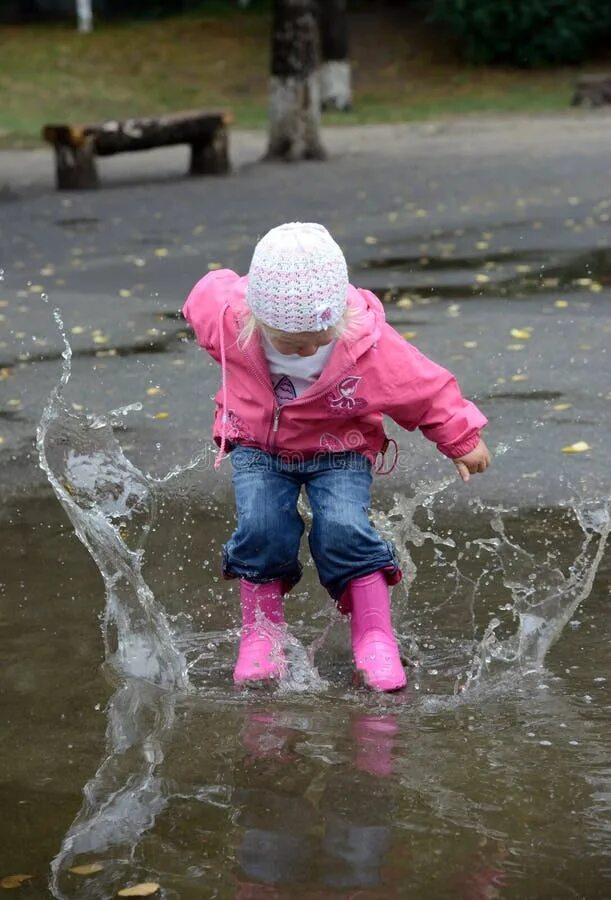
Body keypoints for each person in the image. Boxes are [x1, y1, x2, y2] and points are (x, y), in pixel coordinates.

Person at [183, 222, 490, 692]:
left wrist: (461, 436)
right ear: (257, 317)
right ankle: (261, 637)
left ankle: (374, 636)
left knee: (345, 528)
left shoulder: (365, 341)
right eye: (292, 342)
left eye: (319, 338)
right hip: (257, 448)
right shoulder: (230, 321)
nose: (308, 348)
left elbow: (422, 388)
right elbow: (204, 295)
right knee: (260, 527)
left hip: (339, 450)